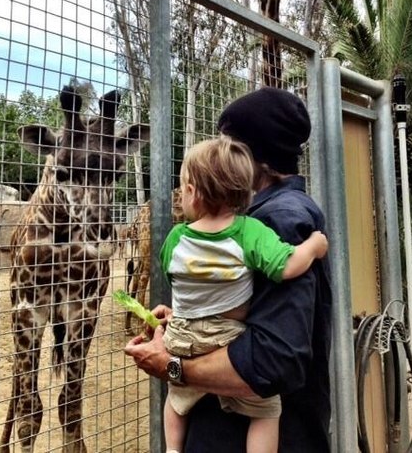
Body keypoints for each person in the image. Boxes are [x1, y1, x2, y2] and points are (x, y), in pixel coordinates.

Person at [125, 87, 332, 453]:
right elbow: (256, 312)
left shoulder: (278, 223)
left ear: (251, 155)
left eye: (229, 145)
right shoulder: (254, 220)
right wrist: (194, 311)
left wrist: (171, 366)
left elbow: (272, 361)